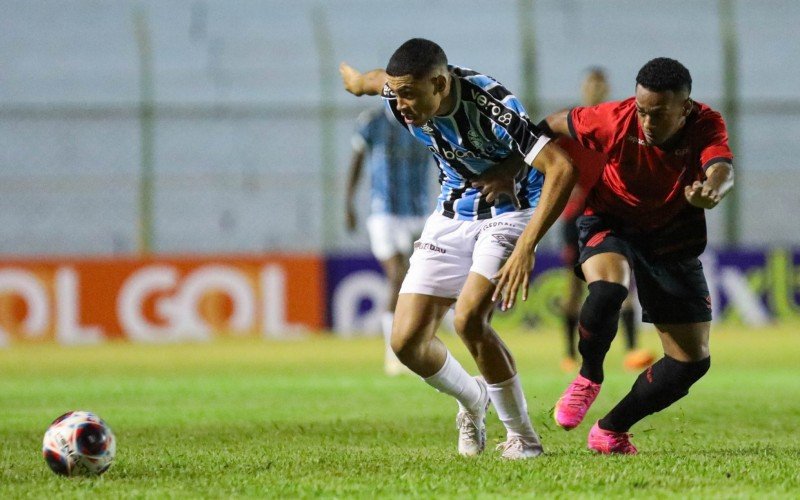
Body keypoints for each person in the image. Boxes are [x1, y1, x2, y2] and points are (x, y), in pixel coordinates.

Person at [340, 38, 577, 459]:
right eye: (397, 94)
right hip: (452, 213)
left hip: (511, 213)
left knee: (468, 319)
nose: (402, 105)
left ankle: (524, 439)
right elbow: (379, 82)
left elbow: (561, 168)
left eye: (411, 94)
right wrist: (359, 82)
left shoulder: (491, 102)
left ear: (440, 84)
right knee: (406, 342)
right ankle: (473, 400)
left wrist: (527, 246)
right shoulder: (399, 95)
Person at [494, 57, 734, 454]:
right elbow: (553, 122)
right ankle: (588, 377)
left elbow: (721, 167)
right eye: (642, 111)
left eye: (658, 115)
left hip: (671, 238)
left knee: (691, 361)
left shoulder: (707, 123)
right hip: (610, 219)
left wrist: (712, 189)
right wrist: (514, 168)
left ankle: (610, 429)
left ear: (685, 108)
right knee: (607, 290)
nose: (647, 123)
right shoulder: (614, 118)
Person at [556, 68, 654, 373]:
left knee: (622, 279)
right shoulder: (570, 125)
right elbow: (548, 162)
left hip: (612, 214)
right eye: (590, 83)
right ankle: (569, 354)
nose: (595, 88)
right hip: (577, 218)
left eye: (600, 83)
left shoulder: (617, 124)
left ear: (606, 87)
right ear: (584, 87)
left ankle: (632, 350)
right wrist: (565, 182)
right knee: (574, 286)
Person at [345, 105, 433, 376]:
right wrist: (348, 203)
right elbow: (357, 161)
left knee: (421, 280)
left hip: (419, 211)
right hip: (384, 212)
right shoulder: (372, 121)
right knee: (398, 274)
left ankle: (416, 343)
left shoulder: (426, 120)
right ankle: (393, 353)